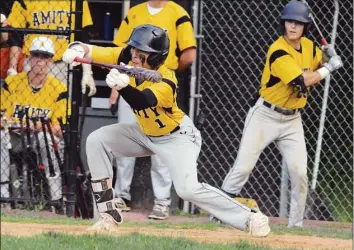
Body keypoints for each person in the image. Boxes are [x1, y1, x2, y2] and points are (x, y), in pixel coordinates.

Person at [62, 24, 271, 236]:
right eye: (134, 49)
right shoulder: (127, 58)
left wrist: (123, 88)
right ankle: (108, 217)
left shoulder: (166, 79)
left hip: (176, 137)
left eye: (141, 52)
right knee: (97, 140)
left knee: (187, 189)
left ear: (155, 57)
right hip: (145, 134)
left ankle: (250, 218)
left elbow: (142, 101)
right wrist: (78, 49)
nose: (134, 54)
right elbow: (94, 49)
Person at [220, 0, 343, 228]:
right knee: (243, 167)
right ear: (283, 24)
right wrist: (329, 67)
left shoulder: (308, 46)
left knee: (300, 174)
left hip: (292, 119)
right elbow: (302, 81)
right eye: (289, 21)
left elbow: (318, 61)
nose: (293, 26)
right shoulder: (278, 51)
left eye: (298, 22)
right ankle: (218, 213)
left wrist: (327, 55)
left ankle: (295, 226)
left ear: (305, 26)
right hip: (265, 115)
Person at [109, 0, 197, 219]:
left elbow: (188, 55)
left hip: (159, 83)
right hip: (130, 80)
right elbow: (120, 50)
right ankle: (121, 195)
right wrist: (117, 87)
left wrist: (165, 74)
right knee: (123, 143)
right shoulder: (135, 12)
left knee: (162, 146)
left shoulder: (178, 12)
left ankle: (161, 201)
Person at [1, 36, 70, 211]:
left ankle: (56, 199)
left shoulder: (59, 88)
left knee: (46, 137)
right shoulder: (12, 82)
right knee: (1, 136)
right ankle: (4, 196)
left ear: (51, 61)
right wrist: (15, 124)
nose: (40, 60)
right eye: (36, 55)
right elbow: (2, 117)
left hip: (40, 138)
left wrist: (34, 126)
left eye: (45, 56)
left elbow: (59, 129)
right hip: (13, 137)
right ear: (29, 57)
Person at [6, 0, 96, 96]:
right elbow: (16, 37)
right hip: (33, 61)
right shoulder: (24, 1)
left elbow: (83, 37)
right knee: (27, 102)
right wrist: (12, 69)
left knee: (61, 105)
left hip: (62, 64)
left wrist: (87, 70)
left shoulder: (77, 1)